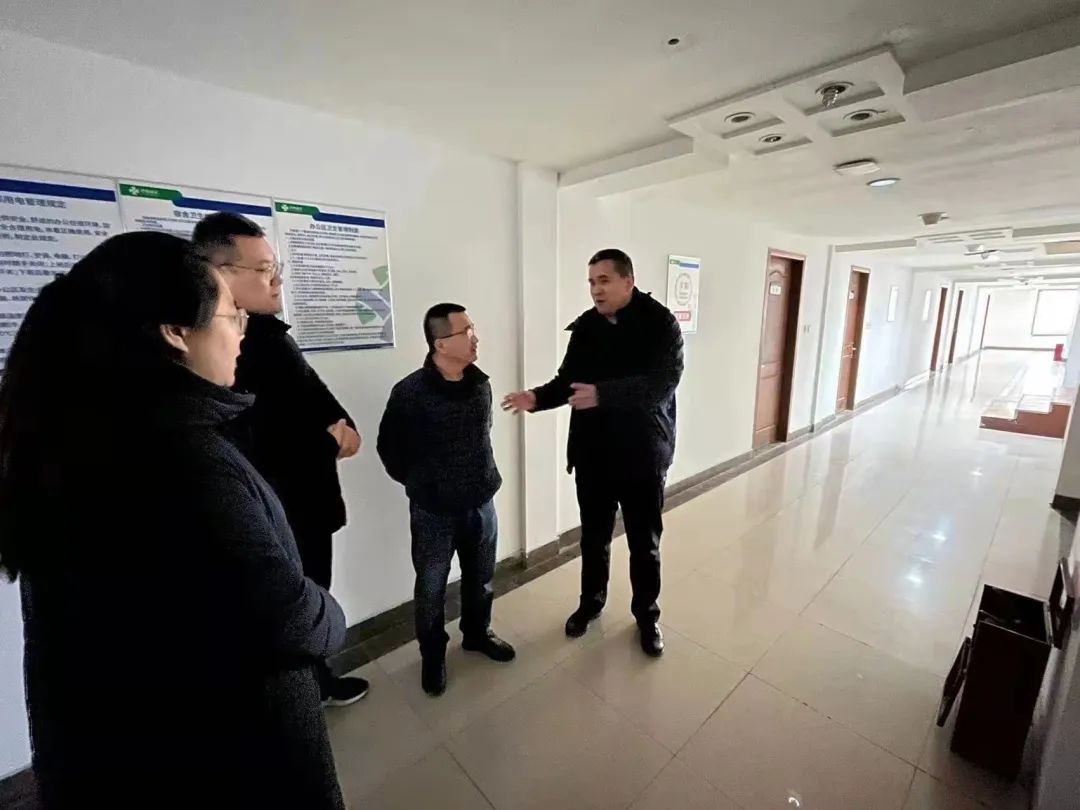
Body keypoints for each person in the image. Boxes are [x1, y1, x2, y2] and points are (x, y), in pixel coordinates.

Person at [0, 232, 347, 808]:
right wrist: (329, 613)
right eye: (232, 315)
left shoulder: (80, 433)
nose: (241, 332)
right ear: (175, 332)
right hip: (218, 755)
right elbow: (283, 617)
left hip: (125, 748)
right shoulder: (180, 459)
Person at [191, 213, 367, 707]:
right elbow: (254, 445)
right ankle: (302, 699)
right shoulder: (221, 355)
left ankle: (317, 685)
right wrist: (327, 441)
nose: (277, 280)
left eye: (276, 267)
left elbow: (315, 398)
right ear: (219, 274)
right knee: (291, 614)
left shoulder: (270, 334)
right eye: (265, 269)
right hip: (278, 513)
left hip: (308, 502)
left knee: (313, 595)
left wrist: (338, 427)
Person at [503, 249, 684, 657]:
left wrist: (603, 394)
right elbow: (568, 382)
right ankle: (591, 603)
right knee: (594, 538)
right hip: (594, 454)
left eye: (604, 280)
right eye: (590, 282)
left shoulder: (660, 325)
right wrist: (537, 397)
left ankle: (647, 616)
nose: (595, 289)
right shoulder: (586, 328)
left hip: (642, 453)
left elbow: (662, 384)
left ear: (628, 281)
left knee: (644, 543)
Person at [377, 304, 515, 696]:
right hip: (434, 512)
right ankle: (433, 656)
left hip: (481, 502)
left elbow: (482, 435)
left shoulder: (480, 384)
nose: (476, 337)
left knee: (481, 580)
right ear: (440, 343)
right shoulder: (410, 392)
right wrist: (421, 485)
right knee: (432, 588)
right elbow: (389, 448)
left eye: (474, 328)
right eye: (466, 331)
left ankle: (477, 634)